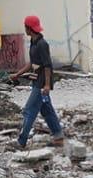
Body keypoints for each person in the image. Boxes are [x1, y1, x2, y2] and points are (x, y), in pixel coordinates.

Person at [13, 15, 64, 148]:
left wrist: (47, 85)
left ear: (29, 28)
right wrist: (18, 74)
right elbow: (32, 63)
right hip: (37, 81)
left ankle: (21, 141)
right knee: (47, 110)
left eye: (25, 27)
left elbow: (47, 66)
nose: (25, 29)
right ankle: (58, 137)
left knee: (29, 110)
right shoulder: (33, 42)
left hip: (42, 83)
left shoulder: (42, 44)